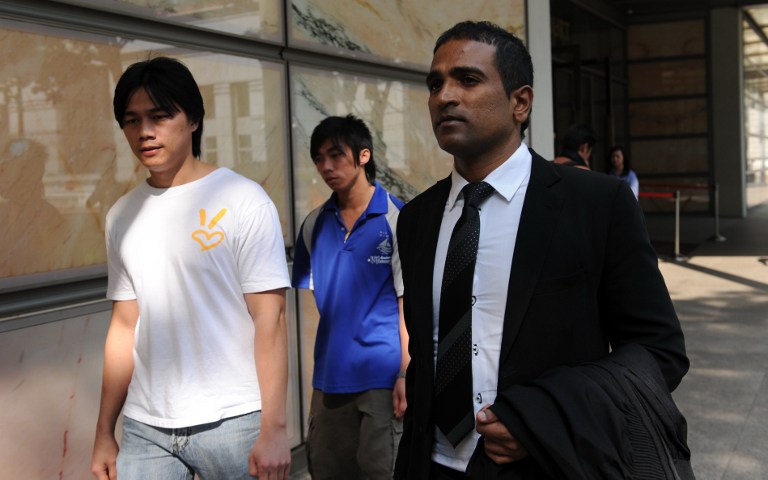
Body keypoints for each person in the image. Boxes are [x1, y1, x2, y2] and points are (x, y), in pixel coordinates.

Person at [394, 20, 690, 479]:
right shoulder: (415, 220)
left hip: (549, 464)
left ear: (521, 102)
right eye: (435, 83)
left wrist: (541, 420)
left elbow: (659, 350)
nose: (444, 96)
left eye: (467, 80)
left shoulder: (596, 204)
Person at [90, 57, 291, 480]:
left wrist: (274, 429)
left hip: (235, 421)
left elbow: (269, 318)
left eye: (160, 116)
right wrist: (104, 431)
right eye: (132, 120)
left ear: (194, 119)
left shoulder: (242, 199)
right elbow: (124, 326)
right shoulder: (121, 215)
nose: (145, 131)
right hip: (147, 428)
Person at [292, 114, 409, 479]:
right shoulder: (314, 224)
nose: (326, 167)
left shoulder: (396, 218)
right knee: (327, 471)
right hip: (329, 376)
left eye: (335, 156)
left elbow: (408, 303)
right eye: (318, 158)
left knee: (381, 472)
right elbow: (320, 295)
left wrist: (407, 372)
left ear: (363, 156)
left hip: (382, 376)